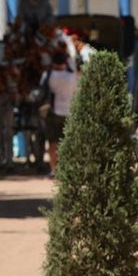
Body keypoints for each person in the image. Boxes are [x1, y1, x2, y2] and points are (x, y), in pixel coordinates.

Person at [43, 50, 77, 179]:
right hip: (69, 112)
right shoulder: (71, 76)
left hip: (52, 112)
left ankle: (54, 170)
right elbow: (75, 92)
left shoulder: (48, 75)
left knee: (52, 143)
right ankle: (67, 169)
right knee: (68, 142)